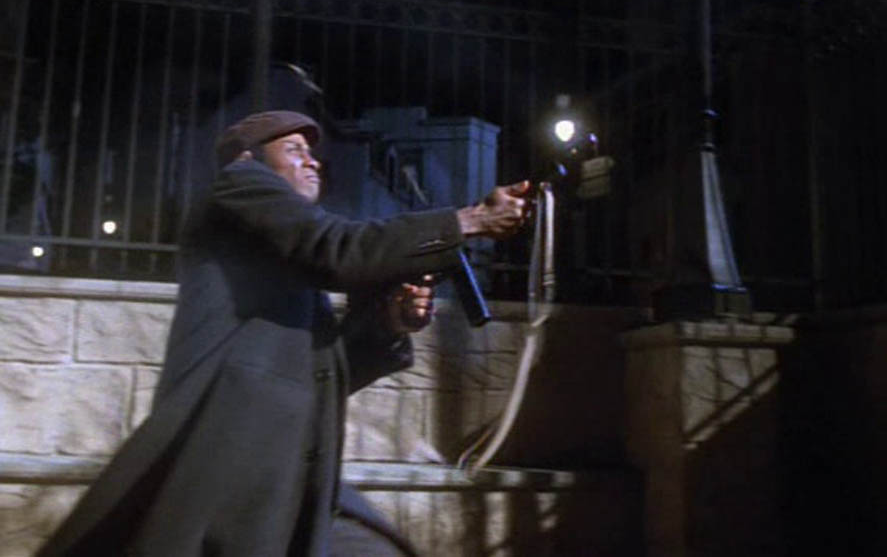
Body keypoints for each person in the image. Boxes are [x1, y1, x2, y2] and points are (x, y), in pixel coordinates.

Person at [39, 109, 530, 556]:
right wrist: (469, 220)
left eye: (312, 152)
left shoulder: (283, 253)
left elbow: (321, 374)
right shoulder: (239, 186)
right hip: (232, 468)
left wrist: (389, 323)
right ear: (249, 158)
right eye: (294, 150)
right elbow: (336, 249)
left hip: (288, 481)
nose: (313, 161)